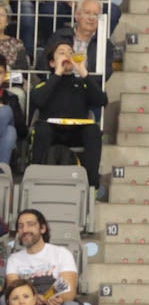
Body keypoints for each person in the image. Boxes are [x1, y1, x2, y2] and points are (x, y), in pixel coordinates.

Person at [28, 40, 106, 193]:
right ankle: (35, 180)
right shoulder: (44, 85)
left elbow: (102, 101)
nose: (67, 56)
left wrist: (83, 72)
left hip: (77, 133)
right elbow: (38, 101)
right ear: (52, 62)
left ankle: (92, 186)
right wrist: (57, 73)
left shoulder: (82, 84)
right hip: (52, 132)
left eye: (70, 53)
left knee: (93, 130)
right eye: (62, 53)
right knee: (42, 129)